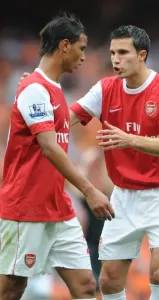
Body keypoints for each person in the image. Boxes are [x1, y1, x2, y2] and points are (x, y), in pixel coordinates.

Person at [0, 12, 115, 300]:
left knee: (87, 286)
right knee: (13, 288)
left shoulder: (51, 90)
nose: (84, 56)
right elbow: (49, 148)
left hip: (58, 209)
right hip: (26, 207)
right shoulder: (35, 90)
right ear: (64, 45)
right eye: (81, 47)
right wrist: (89, 191)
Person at [70, 25, 159, 300]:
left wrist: (130, 139)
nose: (115, 59)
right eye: (112, 53)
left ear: (142, 55)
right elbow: (66, 117)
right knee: (109, 280)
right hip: (123, 197)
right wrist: (38, 95)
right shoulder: (105, 89)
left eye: (123, 52)